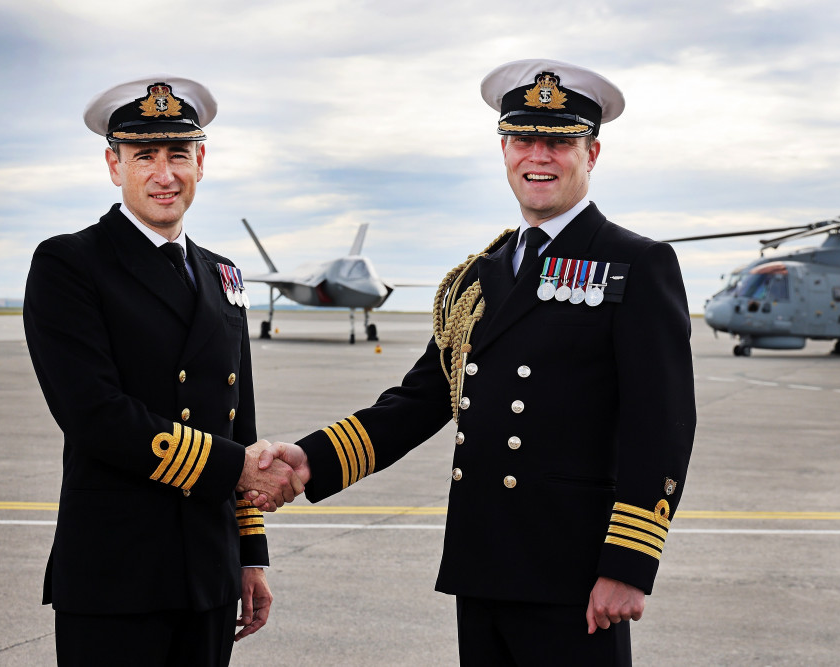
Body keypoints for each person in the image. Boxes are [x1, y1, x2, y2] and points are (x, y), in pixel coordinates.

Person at [249, 59, 697, 665]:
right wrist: (310, 458)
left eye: (559, 141)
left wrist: (629, 565)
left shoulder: (634, 264)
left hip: (575, 575)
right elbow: (419, 401)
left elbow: (662, 425)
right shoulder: (479, 277)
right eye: (522, 139)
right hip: (483, 563)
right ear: (505, 149)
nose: (538, 155)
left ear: (591, 153)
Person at [23, 75, 303, 666]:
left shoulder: (220, 272)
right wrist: (236, 468)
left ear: (201, 162)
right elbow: (92, 413)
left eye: (178, 154)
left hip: (208, 572)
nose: (164, 173)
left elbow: (239, 420)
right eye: (143, 155)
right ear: (112, 164)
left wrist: (249, 554)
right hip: (116, 572)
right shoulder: (70, 263)